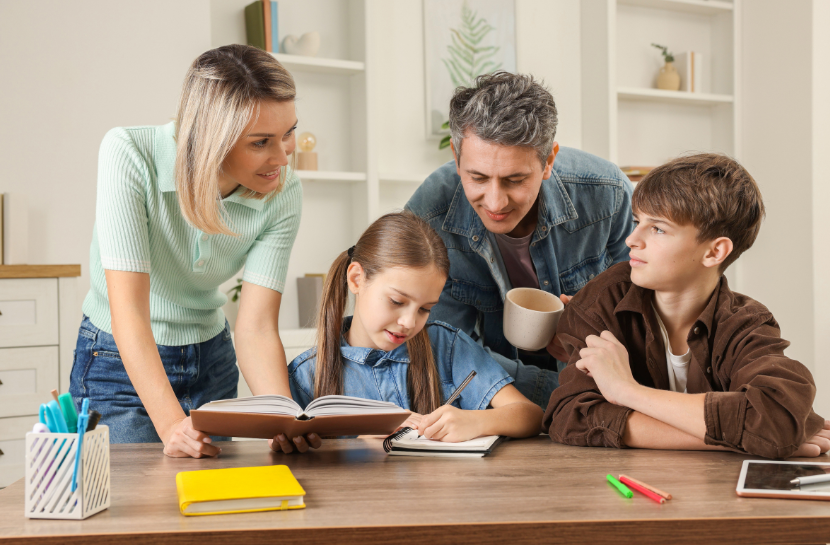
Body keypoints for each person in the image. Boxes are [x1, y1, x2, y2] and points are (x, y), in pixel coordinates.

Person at [70, 45, 320, 457]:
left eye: (288, 133)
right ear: (211, 140)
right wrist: (170, 425)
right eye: (261, 142)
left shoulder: (284, 191)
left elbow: (256, 327)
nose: (282, 157)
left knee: (210, 508)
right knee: (136, 511)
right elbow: (129, 311)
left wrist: (283, 417)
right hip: (118, 359)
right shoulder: (129, 154)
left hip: (211, 359)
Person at [543, 153, 830, 459]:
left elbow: (776, 416)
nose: (631, 239)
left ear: (714, 251)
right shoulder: (603, 299)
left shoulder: (747, 323)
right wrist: (737, 438)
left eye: (658, 229)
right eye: (638, 221)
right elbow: (570, 416)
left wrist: (627, 391)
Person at [406, 72, 635, 409]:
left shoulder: (606, 194)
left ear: (548, 161)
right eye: (478, 178)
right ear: (456, 157)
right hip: (501, 401)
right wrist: (553, 395)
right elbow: (443, 352)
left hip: (597, 389)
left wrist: (590, 329)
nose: (496, 203)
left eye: (515, 180)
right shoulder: (429, 216)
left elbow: (644, 317)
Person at [289, 211, 543, 441]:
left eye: (425, 309)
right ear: (357, 279)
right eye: (397, 301)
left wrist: (476, 421)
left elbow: (529, 415)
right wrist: (358, 446)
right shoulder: (307, 375)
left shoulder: (447, 346)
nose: (410, 323)